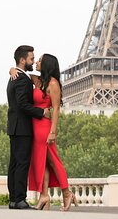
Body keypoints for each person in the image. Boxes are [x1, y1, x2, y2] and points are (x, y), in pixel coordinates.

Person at [10, 53, 77, 211]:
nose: (37, 62)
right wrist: (11, 69)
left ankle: (67, 193)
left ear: (46, 64)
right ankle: (44, 195)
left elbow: (56, 109)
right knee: (42, 162)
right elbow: (21, 72)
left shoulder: (53, 84)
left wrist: (53, 130)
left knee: (53, 160)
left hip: (45, 127)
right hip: (34, 125)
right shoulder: (37, 80)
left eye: (39, 60)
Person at [6, 45, 51, 210]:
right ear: (23, 60)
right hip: (22, 127)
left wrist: (11, 69)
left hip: (15, 126)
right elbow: (23, 104)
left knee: (15, 164)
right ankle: (19, 199)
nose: (33, 61)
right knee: (22, 163)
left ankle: (14, 199)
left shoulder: (16, 76)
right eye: (32, 59)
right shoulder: (22, 79)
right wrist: (42, 112)